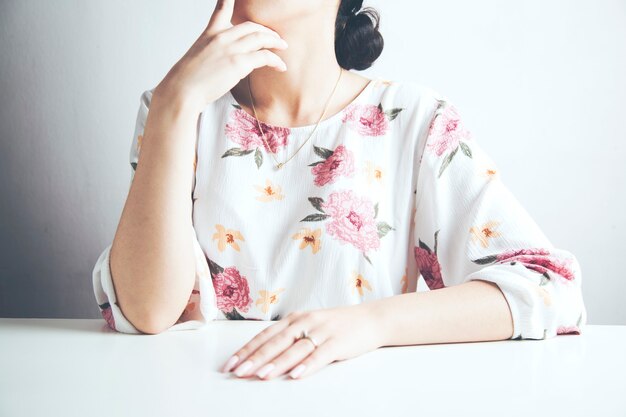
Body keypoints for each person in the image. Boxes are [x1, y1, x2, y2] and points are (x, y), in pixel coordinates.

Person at [92, 0, 587, 381]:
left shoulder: (413, 120)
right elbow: (147, 310)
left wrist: (371, 325)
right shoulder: (176, 111)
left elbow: (550, 289)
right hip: (201, 396)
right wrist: (175, 102)